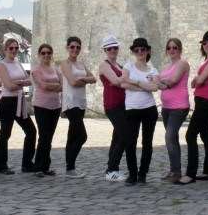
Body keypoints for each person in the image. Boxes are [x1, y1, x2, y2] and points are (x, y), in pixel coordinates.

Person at [177, 31, 208, 185]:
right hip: (204, 99)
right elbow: (197, 81)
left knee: (190, 135)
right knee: (205, 135)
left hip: (206, 100)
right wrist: (197, 80)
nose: (207, 45)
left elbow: (201, 80)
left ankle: (190, 174)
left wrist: (198, 79)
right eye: (204, 43)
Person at [120, 37, 159, 185]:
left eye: (143, 49)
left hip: (149, 109)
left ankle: (143, 174)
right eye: (137, 50)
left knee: (147, 143)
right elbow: (123, 83)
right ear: (133, 52)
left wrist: (135, 82)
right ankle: (132, 174)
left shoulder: (153, 69)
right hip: (132, 109)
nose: (140, 52)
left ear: (147, 50)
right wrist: (142, 85)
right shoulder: (128, 66)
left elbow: (155, 87)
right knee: (130, 142)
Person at [0, 38, 36, 175]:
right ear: (5, 49)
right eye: (11, 48)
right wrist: (22, 83)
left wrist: (19, 82)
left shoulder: (18, 63)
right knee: (5, 133)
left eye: (16, 48)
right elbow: (8, 86)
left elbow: (29, 79)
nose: (14, 51)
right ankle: (1, 165)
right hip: (7, 101)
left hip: (19, 101)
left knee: (31, 131)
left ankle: (27, 164)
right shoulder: (1, 65)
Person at [60, 36, 96, 178]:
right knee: (82, 136)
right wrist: (85, 81)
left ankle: (70, 169)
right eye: (72, 47)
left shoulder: (81, 64)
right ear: (67, 48)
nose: (75, 49)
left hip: (81, 103)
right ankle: (70, 166)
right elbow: (72, 82)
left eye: (78, 47)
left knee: (72, 136)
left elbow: (93, 78)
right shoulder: (64, 63)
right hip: (70, 103)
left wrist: (83, 80)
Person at [157, 38, 190, 183]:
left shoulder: (182, 63)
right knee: (173, 139)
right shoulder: (166, 67)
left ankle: (176, 171)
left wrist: (159, 82)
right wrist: (157, 82)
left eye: (175, 47)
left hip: (179, 106)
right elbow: (157, 82)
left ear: (180, 49)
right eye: (169, 48)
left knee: (169, 136)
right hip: (166, 107)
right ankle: (174, 170)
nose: (172, 50)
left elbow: (173, 81)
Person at [97, 35, 127, 182]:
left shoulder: (120, 66)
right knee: (124, 136)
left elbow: (123, 82)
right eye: (110, 48)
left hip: (123, 105)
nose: (113, 50)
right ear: (105, 50)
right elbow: (115, 81)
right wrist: (126, 78)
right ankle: (111, 169)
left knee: (117, 137)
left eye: (115, 48)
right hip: (112, 104)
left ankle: (111, 169)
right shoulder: (104, 65)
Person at [31, 43, 62, 177]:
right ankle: (38, 167)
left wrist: (52, 86)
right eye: (43, 53)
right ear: (39, 55)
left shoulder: (56, 69)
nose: (46, 55)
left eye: (48, 52)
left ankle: (45, 166)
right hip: (41, 106)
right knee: (43, 136)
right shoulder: (36, 70)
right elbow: (42, 86)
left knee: (49, 137)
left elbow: (63, 86)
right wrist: (55, 86)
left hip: (55, 106)